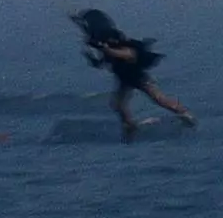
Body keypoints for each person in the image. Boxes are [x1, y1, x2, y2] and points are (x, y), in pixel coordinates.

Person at [72, 8, 197, 141]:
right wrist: (92, 58)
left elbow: (125, 54)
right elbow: (100, 63)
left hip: (139, 78)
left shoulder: (123, 46)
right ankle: (129, 126)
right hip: (124, 79)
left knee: (159, 99)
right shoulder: (107, 47)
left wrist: (105, 49)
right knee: (118, 104)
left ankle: (185, 113)